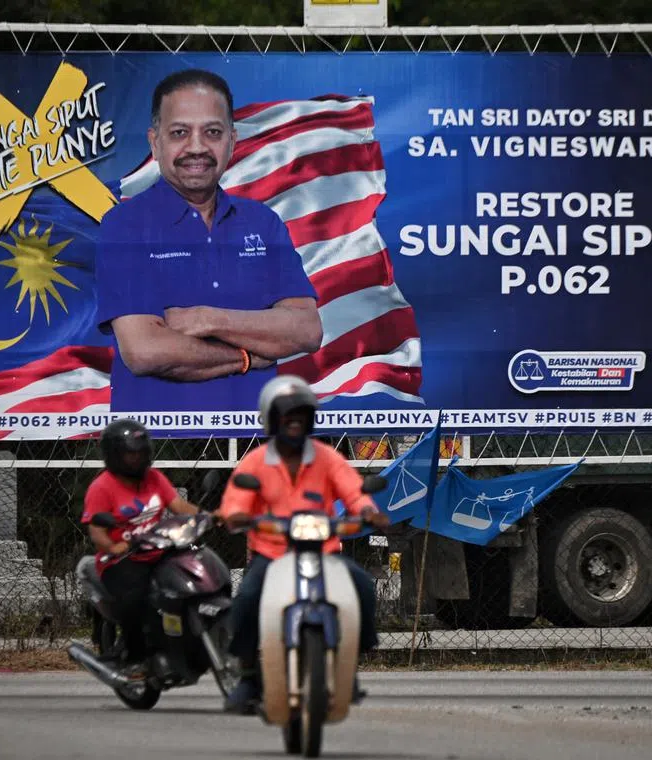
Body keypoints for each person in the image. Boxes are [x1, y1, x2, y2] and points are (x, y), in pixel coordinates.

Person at [94, 68, 323, 415]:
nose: (197, 147)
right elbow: (145, 351)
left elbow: (306, 330)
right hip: (158, 441)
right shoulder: (125, 226)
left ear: (232, 140)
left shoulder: (263, 223)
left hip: (253, 438)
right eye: (180, 132)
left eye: (212, 132)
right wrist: (246, 357)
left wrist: (207, 318)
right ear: (155, 142)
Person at [217, 375, 390, 714]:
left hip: (322, 551)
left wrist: (369, 512)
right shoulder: (255, 462)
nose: (294, 422)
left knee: (361, 586)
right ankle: (248, 677)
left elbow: (354, 492)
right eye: (286, 415)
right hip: (272, 553)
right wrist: (235, 515)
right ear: (271, 419)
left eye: (301, 415)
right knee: (247, 600)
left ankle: (350, 664)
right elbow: (236, 500)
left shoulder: (327, 458)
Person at [80, 418, 200, 677]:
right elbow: (97, 531)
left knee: (192, 576)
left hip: (157, 551)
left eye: (139, 453)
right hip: (122, 559)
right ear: (114, 456)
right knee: (137, 599)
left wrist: (207, 517)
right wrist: (114, 547)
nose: (135, 459)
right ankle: (134, 658)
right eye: (129, 454)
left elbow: (179, 507)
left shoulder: (154, 478)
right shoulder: (102, 487)